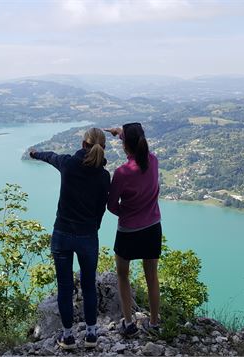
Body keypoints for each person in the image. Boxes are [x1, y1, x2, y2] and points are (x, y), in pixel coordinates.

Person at [29, 127, 111, 350]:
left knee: (65, 287)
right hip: (87, 236)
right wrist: (93, 228)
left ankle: (67, 337)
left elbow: (50, 156)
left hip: (62, 234)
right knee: (89, 285)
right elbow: (101, 209)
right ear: (102, 148)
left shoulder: (68, 164)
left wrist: (35, 154)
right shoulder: (104, 176)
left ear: (83, 144)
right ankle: (92, 334)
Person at [105, 122, 162, 338]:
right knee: (152, 277)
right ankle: (154, 323)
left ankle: (129, 323)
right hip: (152, 228)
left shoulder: (122, 173)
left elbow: (111, 205)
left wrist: (127, 214)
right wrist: (121, 133)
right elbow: (136, 143)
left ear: (124, 145)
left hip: (128, 231)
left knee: (122, 274)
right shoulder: (153, 161)